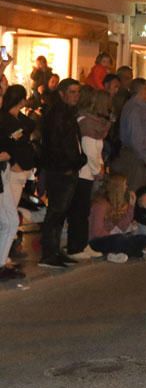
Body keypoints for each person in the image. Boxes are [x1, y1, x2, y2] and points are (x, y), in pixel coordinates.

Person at [37, 79, 87, 268]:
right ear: (62, 93)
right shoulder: (57, 115)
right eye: (72, 92)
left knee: (60, 212)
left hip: (68, 168)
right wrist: (71, 164)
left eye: (78, 92)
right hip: (61, 170)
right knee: (56, 212)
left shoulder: (66, 113)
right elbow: (57, 145)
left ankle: (55, 251)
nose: (76, 96)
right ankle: (49, 254)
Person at [70, 88, 112, 261]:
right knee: (79, 211)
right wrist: (98, 169)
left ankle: (81, 243)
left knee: (83, 211)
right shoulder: (87, 123)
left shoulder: (94, 124)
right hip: (84, 173)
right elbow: (89, 151)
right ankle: (75, 246)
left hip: (89, 172)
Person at [0, 85, 36, 280]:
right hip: (7, 174)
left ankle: (2, 261)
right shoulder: (5, 120)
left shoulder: (13, 120)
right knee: (9, 220)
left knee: (9, 220)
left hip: (6, 174)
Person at [88, 174, 146, 262]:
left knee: (143, 238)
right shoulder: (100, 204)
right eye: (125, 184)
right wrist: (115, 235)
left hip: (111, 238)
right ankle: (127, 252)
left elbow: (122, 227)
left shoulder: (114, 203)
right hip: (96, 241)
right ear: (117, 187)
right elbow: (96, 232)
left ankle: (116, 253)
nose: (126, 187)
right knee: (119, 240)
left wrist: (131, 206)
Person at [112, 79, 146, 192]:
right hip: (136, 159)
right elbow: (136, 138)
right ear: (141, 90)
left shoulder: (137, 108)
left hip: (138, 157)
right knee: (135, 191)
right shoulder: (135, 110)